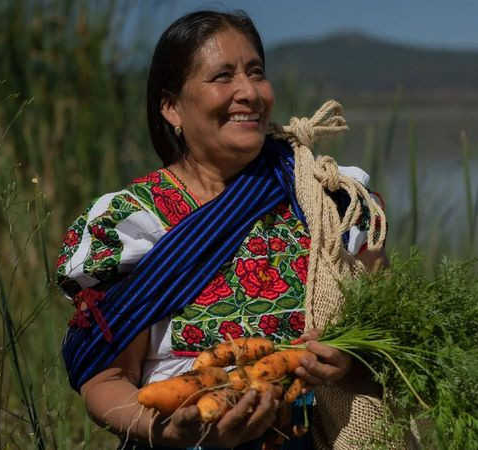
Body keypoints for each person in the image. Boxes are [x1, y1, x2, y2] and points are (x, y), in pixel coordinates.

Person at [55, 10, 385, 449]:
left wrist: (348, 353)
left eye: (256, 72)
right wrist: (167, 430)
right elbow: (106, 381)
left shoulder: (331, 203)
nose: (248, 92)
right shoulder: (134, 225)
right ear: (172, 107)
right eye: (222, 76)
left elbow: (388, 331)